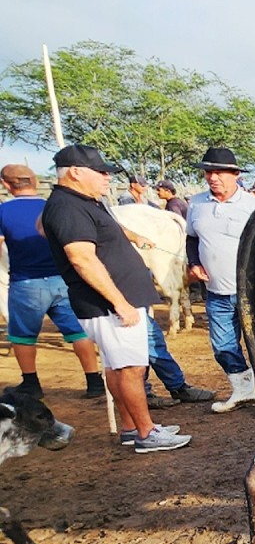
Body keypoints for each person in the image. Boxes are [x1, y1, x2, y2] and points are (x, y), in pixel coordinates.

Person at [40, 144, 190, 453]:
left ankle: (130, 427)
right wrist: (119, 302)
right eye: (101, 172)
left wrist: (134, 237)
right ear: (76, 172)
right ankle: (147, 434)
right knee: (131, 369)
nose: (107, 177)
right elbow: (81, 258)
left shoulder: (81, 201)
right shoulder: (67, 207)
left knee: (117, 366)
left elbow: (50, 228)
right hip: (110, 304)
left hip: (112, 302)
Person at [0, 164, 106, 400]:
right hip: (62, 280)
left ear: (6, 184)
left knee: (22, 335)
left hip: (26, 282)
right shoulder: (52, 207)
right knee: (78, 332)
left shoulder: (3, 212)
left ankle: (31, 383)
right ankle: (93, 380)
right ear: (35, 181)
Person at [186, 147, 255, 413]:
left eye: (219, 172)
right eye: (209, 172)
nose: (213, 177)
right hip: (215, 290)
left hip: (250, 290)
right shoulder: (196, 204)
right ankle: (243, 391)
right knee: (223, 345)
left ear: (236, 174)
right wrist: (194, 264)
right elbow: (191, 239)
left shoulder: (253, 206)